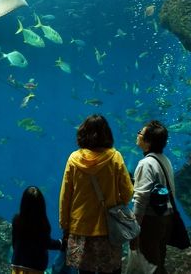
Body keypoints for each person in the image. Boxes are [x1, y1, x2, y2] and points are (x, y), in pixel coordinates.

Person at [59, 114, 133, 274]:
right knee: (112, 270)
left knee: (85, 272)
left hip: (80, 228)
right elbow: (128, 193)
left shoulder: (73, 159)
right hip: (109, 229)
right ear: (107, 134)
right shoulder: (115, 158)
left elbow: (65, 196)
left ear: (83, 133)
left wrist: (65, 224)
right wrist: (115, 204)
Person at [132, 120, 176, 274]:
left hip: (151, 221)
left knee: (150, 265)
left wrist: (134, 229)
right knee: (159, 262)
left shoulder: (146, 163)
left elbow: (141, 199)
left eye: (141, 133)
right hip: (166, 218)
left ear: (148, 141)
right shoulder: (165, 160)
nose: (138, 134)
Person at [11, 186, 62, 274]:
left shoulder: (17, 220)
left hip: (17, 266)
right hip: (34, 268)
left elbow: (14, 243)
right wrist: (60, 243)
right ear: (42, 205)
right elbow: (46, 243)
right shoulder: (42, 225)